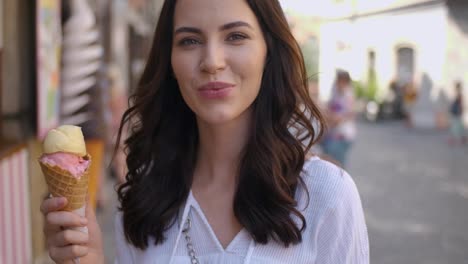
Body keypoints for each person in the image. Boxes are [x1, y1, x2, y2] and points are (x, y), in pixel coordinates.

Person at [40, 0, 369, 263]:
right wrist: (89, 259)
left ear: (269, 51)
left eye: (235, 36)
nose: (211, 61)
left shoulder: (326, 195)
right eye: (190, 40)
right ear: (170, 60)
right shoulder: (142, 200)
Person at [321, 70, 357, 167]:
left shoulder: (348, 95)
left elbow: (344, 116)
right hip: (333, 134)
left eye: (338, 80)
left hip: (342, 135)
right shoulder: (336, 92)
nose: (336, 82)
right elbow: (328, 109)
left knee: (337, 165)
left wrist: (331, 118)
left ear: (344, 81)